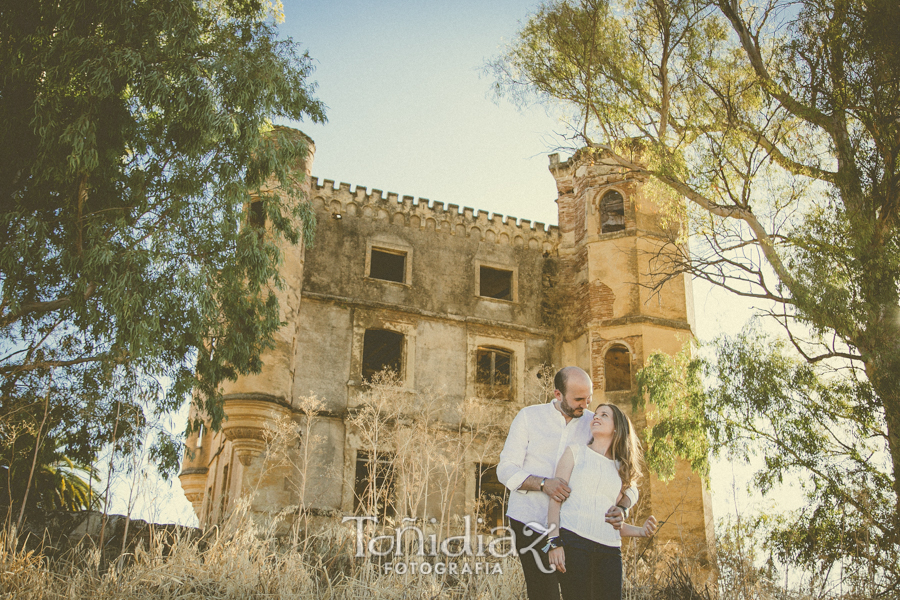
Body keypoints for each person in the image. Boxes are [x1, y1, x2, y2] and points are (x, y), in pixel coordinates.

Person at [497, 367, 639, 600]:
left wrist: (623, 507)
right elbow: (505, 469)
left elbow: (627, 478)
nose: (585, 405)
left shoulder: (594, 425)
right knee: (544, 593)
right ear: (558, 394)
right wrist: (543, 484)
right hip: (529, 522)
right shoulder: (528, 417)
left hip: (575, 531)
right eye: (578, 399)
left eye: (589, 398)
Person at [545, 403, 658, 600]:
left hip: (610, 551)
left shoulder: (620, 469)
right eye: (595, 414)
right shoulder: (574, 453)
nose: (596, 417)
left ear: (616, 427)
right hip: (574, 544)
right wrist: (554, 542)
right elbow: (555, 500)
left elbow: (614, 520)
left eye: (604, 415)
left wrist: (640, 531)